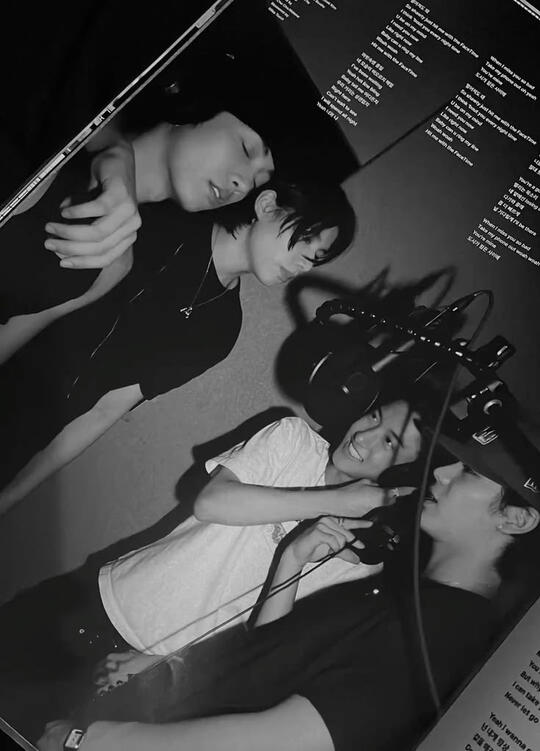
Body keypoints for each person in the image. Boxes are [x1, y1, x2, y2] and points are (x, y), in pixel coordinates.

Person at [35, 416, 540, 751]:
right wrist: (291, 560)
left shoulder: (447, 628)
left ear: (516, 518)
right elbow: (264, 660)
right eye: (374, 416)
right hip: (99, 613)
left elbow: (277, 739)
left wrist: (90, 741)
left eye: (470, 473)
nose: (444, 473)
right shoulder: (410, 597)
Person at [0, 399, 421, 739]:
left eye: (389, 440)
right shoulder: (294, 440)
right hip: (101, 600)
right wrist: (333, 501)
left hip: (148, 680)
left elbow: (260, 648)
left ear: (402, 474)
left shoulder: (358, 568)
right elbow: (212, 503)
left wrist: (165, 666)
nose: (363, 435)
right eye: (373, 415)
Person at [0, 177, 356, 513]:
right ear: (267, 205)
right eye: (307, 241)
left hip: (25, 430)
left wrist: (12, 494)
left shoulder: (221, 330)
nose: (305, 265)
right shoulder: (164, 218)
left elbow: (103, 411)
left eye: (317, 259)